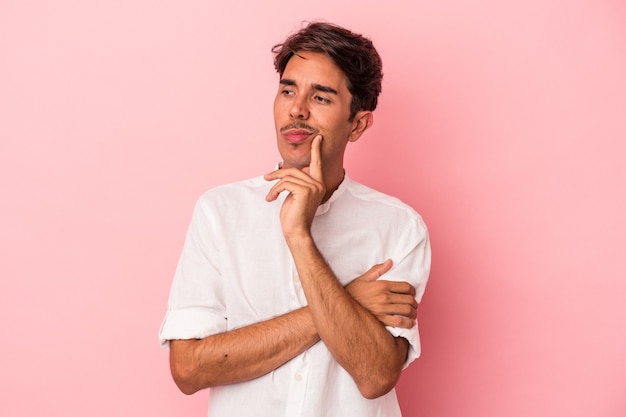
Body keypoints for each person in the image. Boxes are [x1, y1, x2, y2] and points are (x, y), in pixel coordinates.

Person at [159, 21, 431, 417]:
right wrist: (349, 300)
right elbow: (188, 368)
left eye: (320, 98)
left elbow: (375, 376)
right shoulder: (220, 212)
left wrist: (298, 236)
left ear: (357, 124)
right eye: (288, 90)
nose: (296, 109)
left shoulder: (399, 228)